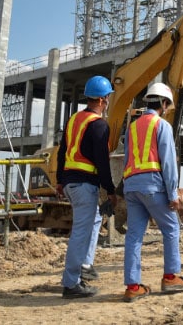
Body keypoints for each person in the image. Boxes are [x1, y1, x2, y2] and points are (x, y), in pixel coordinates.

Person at [120, 82, 183, 302]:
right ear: (162, 103)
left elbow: (126, 159)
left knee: (133, 236)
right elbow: (168, 163)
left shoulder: (131, 127)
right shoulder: (162, 126)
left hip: (131, 185)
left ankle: (133, 287)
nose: (168, 109)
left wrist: (124, 186)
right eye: (167, 105)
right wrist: (173, 195)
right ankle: (170, 277)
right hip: (152, 184)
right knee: (171, 228)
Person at [56, 75, 117, 298]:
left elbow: (62, 152)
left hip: (71, 183)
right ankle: (71, 283)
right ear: (102, 100)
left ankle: (84, 266)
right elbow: (102, 160)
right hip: (84, 184)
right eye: (108, 97)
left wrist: (60, 180)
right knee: (81, 233)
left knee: (93, 222)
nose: (109, 100)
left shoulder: (74, 120)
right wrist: (110, 190)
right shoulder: (99, 125)